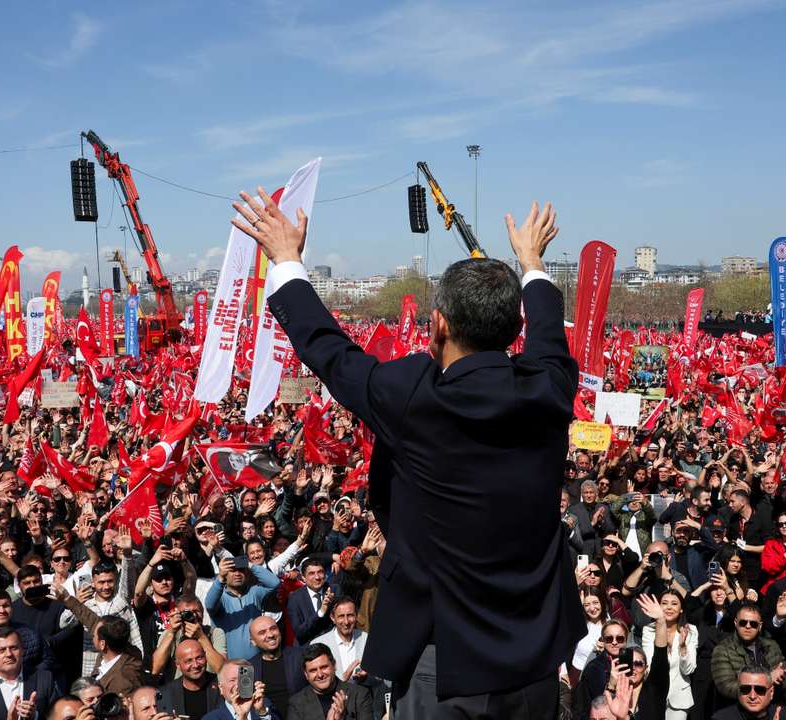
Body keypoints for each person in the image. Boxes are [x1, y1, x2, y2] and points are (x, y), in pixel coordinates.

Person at [237, 192, 580, 717]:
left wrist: (286, 258)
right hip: (534, 657)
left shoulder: (417, 397)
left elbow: (329, 350)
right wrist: (532, 263)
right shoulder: (550, 388)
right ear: (515, 328)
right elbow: (551, 337)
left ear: (438, 324)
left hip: (446, 667)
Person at [0, 628, 62, 720]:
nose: (8, 654)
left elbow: (60, 716)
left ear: (22, 650)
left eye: (13, 648)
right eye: (1, 650)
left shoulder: (44, 679)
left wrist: (35, 716)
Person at [205, 555, 281, 662]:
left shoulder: (254, 592)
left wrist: (250, 565)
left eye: (241, 570)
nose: (237, 574)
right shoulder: (220, 598)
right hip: (230, 664)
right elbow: (209, 605)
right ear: (225, 574)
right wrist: (220, 578)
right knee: (244, 678)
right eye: (232, 570)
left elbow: (275, 583)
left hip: (258, 661)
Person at [711, 604, 786, 704]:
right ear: (735, 623)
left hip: (769, 709)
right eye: (743, 622)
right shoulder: (723, 649)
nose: (748, 626)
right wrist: (767, 679)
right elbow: (726, 688)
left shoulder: (771, 646)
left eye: (753, 624)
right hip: (736, 711)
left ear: (760, 626)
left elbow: (785, 679)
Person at [639, 591, 697, 719]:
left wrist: (682, 647)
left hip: (679, 698)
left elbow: (688, 669)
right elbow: (649, 665)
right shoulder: (648, 630)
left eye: (674, 604)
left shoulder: (691, 630)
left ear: (681, 609)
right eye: (664, 603)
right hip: (654, 695)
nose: (669, 607)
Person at [285, 644, 372, 720]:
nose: (320, 674)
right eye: (313, 670)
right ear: (306, 675)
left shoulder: (359, 694)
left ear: (334, 665)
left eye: (324, 667)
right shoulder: (296, 704)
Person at [248, 615, 308, 714]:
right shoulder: (248, 668)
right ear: (253, 642)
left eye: (273, 628)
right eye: (262, 632)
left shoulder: (300, 656)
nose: (270, 635)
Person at [160, 639, 224, 719]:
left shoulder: (221, 685)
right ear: (178, 664)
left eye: (199, 658)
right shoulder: (166, 693)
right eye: (188, 661)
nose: (195, 665)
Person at [202, 659, 276, 720]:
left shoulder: (265, 706)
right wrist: (242, 717)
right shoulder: (211, 718)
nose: (238, 685)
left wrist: (262, 712)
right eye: (232, 680)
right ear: (221, 688)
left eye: (243, 679)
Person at [287, 558, 335, 645]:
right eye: (311, 573)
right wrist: (320, 612)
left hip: (333, 645)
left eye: (320, 572)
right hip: (308, 647)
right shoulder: (295, 598)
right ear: (303, 578)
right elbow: (299, 633)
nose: (317, 577)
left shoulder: (334, 590)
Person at [711, 666, 786, 720]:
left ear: (771, 692)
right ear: (738, 691)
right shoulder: (722, 718)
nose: (752, 696)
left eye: (760, 690)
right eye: (745, 689)